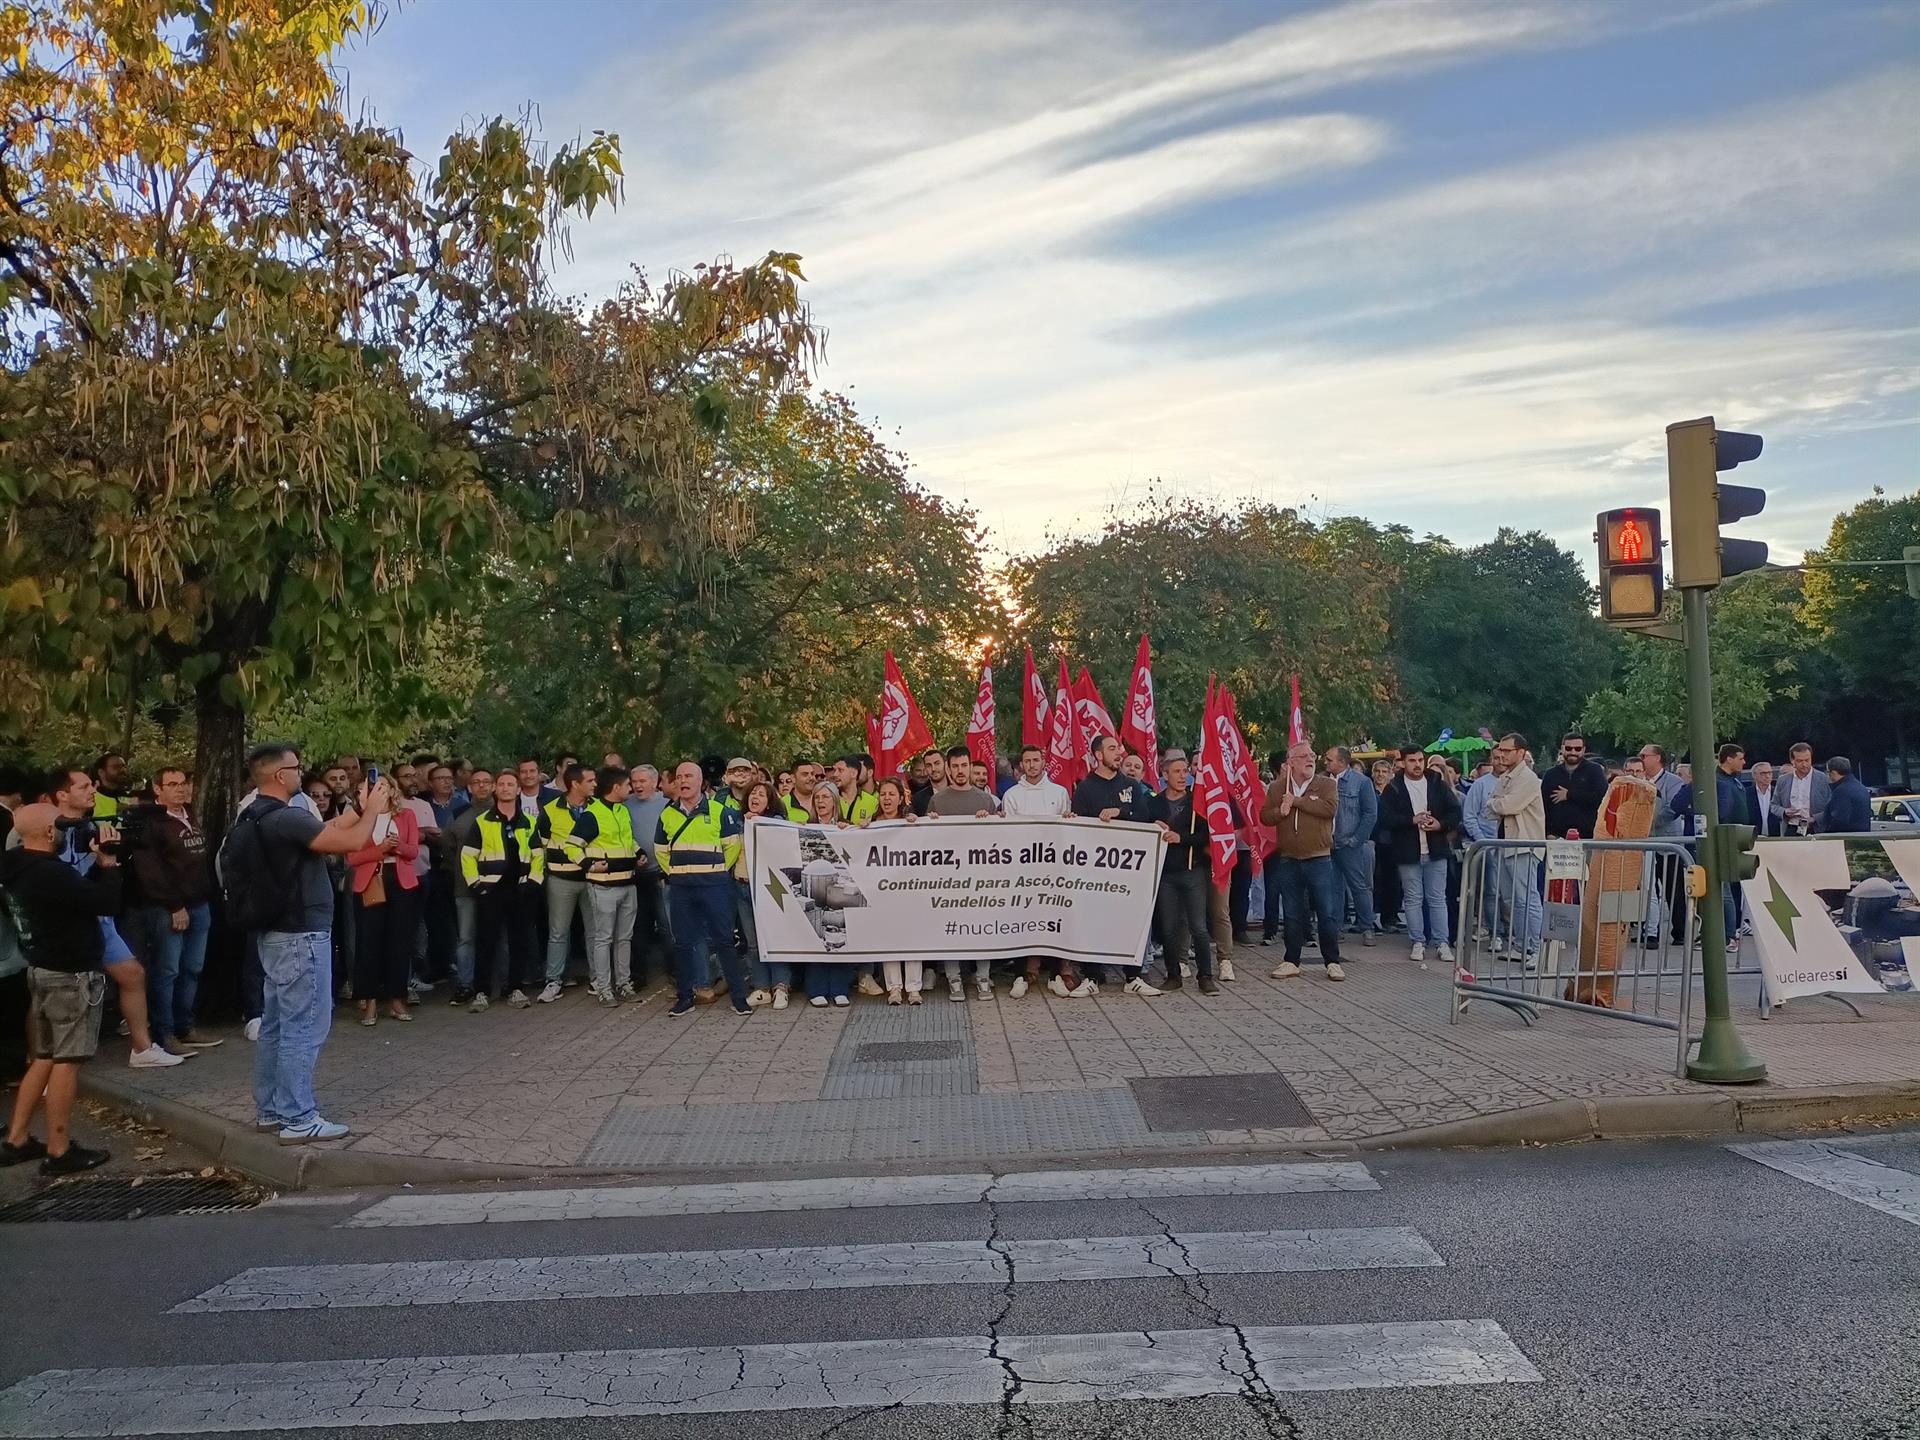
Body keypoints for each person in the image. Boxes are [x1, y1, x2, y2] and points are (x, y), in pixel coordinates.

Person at [239, 743, 389, 1143]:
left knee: (276, 1025)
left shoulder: (258, 815)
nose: (300, 773)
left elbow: (330, 830)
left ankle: (271, 1109)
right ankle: (298, 1116)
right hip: (300, 934)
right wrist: (374, 809)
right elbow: (350, 843)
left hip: (278, 934)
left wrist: (358, 809)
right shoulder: (284, 817)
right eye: (295, 768)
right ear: (278, 775)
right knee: (304, 1026)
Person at [1, 803, 125, 1172]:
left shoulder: (13, 864)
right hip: (71, 976)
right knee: (67, 1063)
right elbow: (106, 902)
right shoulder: (51, 873)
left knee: (43, 1056)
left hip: (40, 968)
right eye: (60, 825)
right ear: (49, 832)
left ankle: (16, 1139)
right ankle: (58, 1149)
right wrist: (109, 865)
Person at [45, 768, 179, 1068]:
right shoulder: (46, 828)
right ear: (62, 794)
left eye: (92, 785)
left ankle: (141, 1049)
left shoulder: (95, 826)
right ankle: (41, 1062)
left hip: (97, 917)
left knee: (133, 974)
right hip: (61, 923)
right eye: (82, 786)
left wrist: (111, 852)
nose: (92, 790)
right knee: (52, 989)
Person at [128, 767, 218, 1056]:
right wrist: (174, 905)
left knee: (193, 967)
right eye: (172, 784)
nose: (180, 789)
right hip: (168, 907)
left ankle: (185, 1026)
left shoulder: (190, 816)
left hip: (199, 903)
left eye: (183, 783)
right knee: (167, 970)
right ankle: (164, 1032)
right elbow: (150, 871)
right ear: (157, 789)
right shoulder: (151, 823)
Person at [657, 761, 753, 1018]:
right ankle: (685, 997)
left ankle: (739, 998)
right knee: (684, 943)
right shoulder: (667, 814)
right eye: (679, 777)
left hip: (714, 887)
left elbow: (732, 847)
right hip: (681, 889)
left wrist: (716, 870)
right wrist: (678, 873)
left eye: (688, 776)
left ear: (701, 781)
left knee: (724, 941)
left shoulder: (719, 811)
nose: (683, 781)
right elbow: (660, 851)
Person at [1073, 734, 1161, 996]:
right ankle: (1091, 976)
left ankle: (1132, 976)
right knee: (1093, 920)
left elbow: (1144, 817)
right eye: (1112, 749)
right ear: (1098, 755)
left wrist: (1121, 813)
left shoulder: (1132, 786)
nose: (1119, 753)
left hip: (1127, 870)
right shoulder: (1085, 788)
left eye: (1119, 748)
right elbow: (1077, 827)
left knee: (1128, 918)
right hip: (1095, 870)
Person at [999, 744, 1084, 997]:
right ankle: (1025, 973)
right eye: (1027, 761)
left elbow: (1064, 831)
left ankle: (1060, 972)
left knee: (1056, 918)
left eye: (1036, 760)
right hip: (1024, 869)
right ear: (1021, 765)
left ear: (1043, 762)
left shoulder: (1059, 792)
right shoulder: (1012, 795)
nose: (1032, 765)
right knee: (1026, 920)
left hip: (1054, 869)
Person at [460, 768, 543, 1011]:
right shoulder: (483, 821)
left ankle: (515, 988)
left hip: (520, 890)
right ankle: (481, 992)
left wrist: (534, 883)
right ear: (496, 789)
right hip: (491, 891)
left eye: (511, 784)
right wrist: (476, 885)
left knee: (519, 941)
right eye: (502, 784)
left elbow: (539, 855)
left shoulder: (528, 822)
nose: (506, 788)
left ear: (518, 790)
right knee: (486, 941)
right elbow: (468, 857)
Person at [1261, 742, 1344, 982]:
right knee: (1292, 913)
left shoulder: (1326, 784)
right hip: (1288, 859)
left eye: (1312, 756)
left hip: (1319, 858)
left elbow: (1329, 809)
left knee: (1326, 912)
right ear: (1291, 762)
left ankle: (1332, 962)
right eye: (1304, 756)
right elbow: (1265, 817)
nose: (1310, 759)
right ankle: (1291, 960)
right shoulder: (1278, 787)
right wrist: (1281, 811)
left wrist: (1296, 802)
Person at [346, 779, 420, 1028]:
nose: (378, 790)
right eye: (371, 787)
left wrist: (397, 848)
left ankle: (397, 998)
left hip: (401, 882)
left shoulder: (406, 814)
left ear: (391, 790)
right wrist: (380, 849)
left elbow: (413, 852)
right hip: (370, 882)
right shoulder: (359, 817)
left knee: (399, 941)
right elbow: (354, 857)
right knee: (368, 942)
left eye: (382, 786)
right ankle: (370, 1001)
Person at [1380, 745, 1461, 967]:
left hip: (1436, 849)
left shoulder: (1437, 783)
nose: (1417, 765)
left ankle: (1442, 942)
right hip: (1408, 852)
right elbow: (1385, 818)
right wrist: (1410, 820)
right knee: (1413, 899)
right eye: (1412, 761)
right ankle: (1418, 940)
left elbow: (1455, 811)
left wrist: (1440, 825)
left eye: (1420, 760)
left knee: (1437, 898)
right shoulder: (1394, 787)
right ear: (1403, 763)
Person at [1147, 751, 1216, 993]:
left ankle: (1205, 976)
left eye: (1185, 771)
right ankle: (1173, 974)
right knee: (1168, 926)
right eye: (1176, 771)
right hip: (1166, 873)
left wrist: (1181, 838)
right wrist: (1152, 826)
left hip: (1192, 869)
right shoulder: (1154, 802)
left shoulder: (1197, 801)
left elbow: (1207, 835)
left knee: (1198, 926)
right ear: (1164, 775)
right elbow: (1140, 827)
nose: (1182, 776)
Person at [575, 769, 639, 1006]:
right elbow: (572, 846)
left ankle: (623, 984)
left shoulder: (623, 810)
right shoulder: (592, 815)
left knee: (624, 938)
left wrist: (638, 852)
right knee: (603, 938)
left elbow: (627, 840)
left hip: (628, 883)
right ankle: (604, 989)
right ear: (615, 787)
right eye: (627, 785)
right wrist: (589, 865)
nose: (630, 789)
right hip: (603, 887)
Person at [535, 762, 595, 1004]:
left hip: (592, 878)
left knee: (595, 932)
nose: (595, 785)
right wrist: (540, 877)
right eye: (590, 781)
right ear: (575, 784)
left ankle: (598, 977)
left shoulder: (598, 808)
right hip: (561, 879)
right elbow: (540, 845)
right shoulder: (550, 810)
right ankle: (554, 981)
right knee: (558, 932)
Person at [1486, 733, 1545, 968]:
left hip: (1524, 844)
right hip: (1507, 843)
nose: (1501, 754)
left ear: (1521, 752)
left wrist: (1499, 804)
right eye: (1500, 749)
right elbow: (1491, 806)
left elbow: (1508, 804)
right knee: (1515, 899)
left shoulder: (1528, 779)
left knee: (1528, 898)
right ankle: (1522, 945)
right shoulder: (1506, 777)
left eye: (1507, 750)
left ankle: (1537, 948)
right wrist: (1499, 804)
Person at [795, 781, 855, 1007]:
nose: (821, 802)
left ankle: (839, 988)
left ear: (834, 801)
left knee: (839, 934)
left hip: (839, 887)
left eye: (825, 797)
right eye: (817, 798)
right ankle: (817, 989)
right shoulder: (805, 826)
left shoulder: (846, 827)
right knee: (815, 935)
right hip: (812, 885)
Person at [868, 776, 926, 1005]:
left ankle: (913, 988)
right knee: (888, 937)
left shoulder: (911, 822)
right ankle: (894, 988)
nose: (887, 799)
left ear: (901, 798)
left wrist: (920, 822)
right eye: (883, 794)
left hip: (909, 890)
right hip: (882, 892)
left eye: (892, 794)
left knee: (912, 938)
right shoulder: (872, 824)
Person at [732, 780, 784, 1008]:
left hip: (767, 887)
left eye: (761, 794)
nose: (755, 797)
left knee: (775, 939)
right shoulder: (736, 822)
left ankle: (781, 986)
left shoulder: (776, 823)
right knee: (753, 942)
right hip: (742, 886)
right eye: (752, 793)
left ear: (770, 802)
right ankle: (762, 987)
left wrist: (761, 824)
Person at [445, 766, 494, 1006]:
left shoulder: (504, 811)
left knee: (500, 935)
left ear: (493, 785)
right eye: (477, 782)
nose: (482, 786)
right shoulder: (459, 813)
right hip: (465, 887)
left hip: (498, 888)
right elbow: (448, 847)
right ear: (470, 787)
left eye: (486, 782)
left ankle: (502, 982)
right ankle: (465, 984)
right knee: (466, 938)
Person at [1640, 744, 1691, 946]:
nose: (1641, 758)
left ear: (1657, 758)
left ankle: (1680, 931)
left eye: (1644, 755)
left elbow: (1673, 809)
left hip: (1669, 843)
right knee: (1649, 889)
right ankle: (1650, 929)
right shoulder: (1639, 780)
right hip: (1644, 843)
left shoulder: (1674, 781)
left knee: (1674, 888)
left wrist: (1648, 821)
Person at [1540, 734, 1608, 840]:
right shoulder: (1551, 774)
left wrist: (1570, 795)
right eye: (1568, 748)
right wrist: (1548, 832)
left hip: (1588, 837)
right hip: (1557, 838)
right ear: (1562, 748)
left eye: (1577, 749)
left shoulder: (1594, 771)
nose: (1573, 752)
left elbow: (1602, 798)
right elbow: (1543, 806)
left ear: (1583, 750)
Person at [1781, 743, 1832, 836]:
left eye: (1807, 760)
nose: (1804, 764)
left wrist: (1814, 818)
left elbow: (1830, 807)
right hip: (1791, 828)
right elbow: (1773, 805)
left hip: (1816, 829)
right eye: (1800, 761)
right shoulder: (1783, 780)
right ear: (1792, 761)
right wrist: (1784, 812)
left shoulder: (1823, 779)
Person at [1824, 757, 1871, 834]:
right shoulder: (1861, 787)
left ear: (1833, 773)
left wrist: (1825, 833)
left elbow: (1839, 819)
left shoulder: (1841, 791)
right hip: (1863, 836)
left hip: (1847, 839)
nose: (1827, 775)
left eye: (1828, 772)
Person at [831, 755, 879, 825]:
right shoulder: (830, 799)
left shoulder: (872, 802)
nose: (835, 774)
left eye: (840, 770)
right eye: (834, 770)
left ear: (853, 773)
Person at [1748, 760, 1783, 837]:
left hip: (1776, 837)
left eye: (1769, 773)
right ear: (1754, 775)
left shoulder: (1779, 793)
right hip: (1753, 837)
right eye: (1763, 773)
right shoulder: (1747, 793)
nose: (1767, 776)